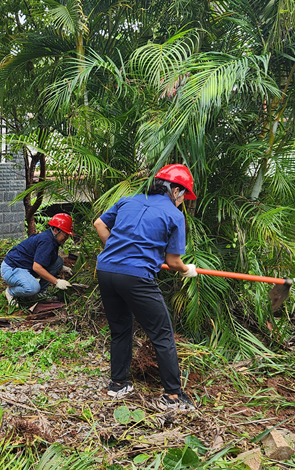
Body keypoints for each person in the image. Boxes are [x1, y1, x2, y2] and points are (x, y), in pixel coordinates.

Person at [93, 164, 199, 410]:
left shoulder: (128, 200)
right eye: (183, 196)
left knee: (120, 329)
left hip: (107, 270)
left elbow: (99, 224)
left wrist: (115, 250)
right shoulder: (174, 215)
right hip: (136, 277)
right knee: (162, 333)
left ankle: (118, 385)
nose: (182, 201)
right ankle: (173, 397)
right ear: (175, 190)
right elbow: (172, 261)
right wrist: (187, 269)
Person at [1, 213, 74, 305]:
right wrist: (57, 281)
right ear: (56, 230)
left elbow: (47, 258)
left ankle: (40, 293)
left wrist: (62, 267)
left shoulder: (52, 239)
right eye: (65, 234)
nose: (67, 238)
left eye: (68, 235)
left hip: (26, 266)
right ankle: (11, 292)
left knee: (58, 262)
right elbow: (37, 267)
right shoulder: (47, 241)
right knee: (33, 287)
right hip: (11, 269)